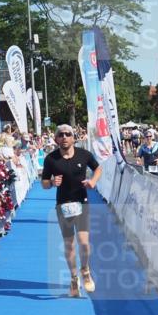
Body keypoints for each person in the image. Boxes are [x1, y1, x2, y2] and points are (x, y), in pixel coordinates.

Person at [41, 124, 101, 298]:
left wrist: (93, 181)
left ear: (74, 138)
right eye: (61, 134)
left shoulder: (84, 154)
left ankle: (85, 270)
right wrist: (52, 183)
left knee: (84, 242)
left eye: (68, 134)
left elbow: (98, 168)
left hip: (81, 203)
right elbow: (44, 183)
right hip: (63, 205)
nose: (65, 137)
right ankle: (74, 279)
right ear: (56, 139)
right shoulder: (51, 159)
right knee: (69, 244)